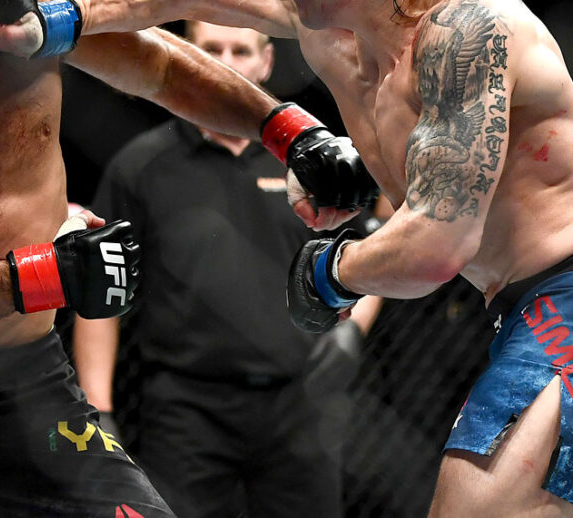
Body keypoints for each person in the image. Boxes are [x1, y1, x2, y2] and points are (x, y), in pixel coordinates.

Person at [0, 0, 573, 515]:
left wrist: (330, 273)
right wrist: (57, 15)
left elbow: (438, 245)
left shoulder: (467, 29)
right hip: (520, 305)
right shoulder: (330, 32)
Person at [0, 0, 377, 516]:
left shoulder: (17, 22)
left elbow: (161, 67)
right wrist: (52, 276)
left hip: (31, 394)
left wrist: (292, 133)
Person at [71, 21, 384, 518]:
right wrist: (98, 412)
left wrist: (353, 328)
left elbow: (371, 250)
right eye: (211, 49)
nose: (226, 63)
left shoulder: (308, 164)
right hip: (184, 407)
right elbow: (99, 292)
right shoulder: (142, 164)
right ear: (185, 57)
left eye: (241, 50)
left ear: (266, 62)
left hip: (300, 400)